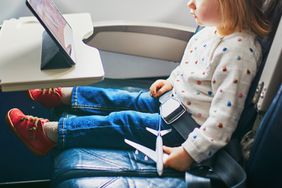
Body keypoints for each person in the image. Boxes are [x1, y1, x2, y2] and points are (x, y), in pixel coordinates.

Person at [7, 0, 273, 172]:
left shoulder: (239, 52)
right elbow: (193, 68)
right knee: (119, 97)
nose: (190, 4)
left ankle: (48, 134)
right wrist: (171, 80)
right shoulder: (211, 31)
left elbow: (222, 121)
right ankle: (62, 96)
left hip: (185, 130)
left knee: (124, 120)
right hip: (175, 104)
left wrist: (189, 153)